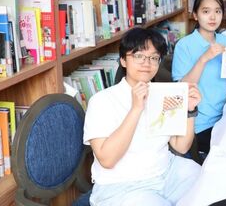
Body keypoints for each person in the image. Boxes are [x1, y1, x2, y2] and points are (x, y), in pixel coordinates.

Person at [84, 27, 202, 206]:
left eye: (154, 58)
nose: (147, 63)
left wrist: (190, 111)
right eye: (138, 56)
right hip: (122, 186)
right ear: (123, 60)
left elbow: (180, 146)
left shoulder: (164, 94)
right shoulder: (102, 101)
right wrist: (136, 109)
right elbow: (107, 160)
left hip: (166, 172)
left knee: (207, 184)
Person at [171, 0, 226, 155]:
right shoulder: (184, 45)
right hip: (200, 123)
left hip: (225, 115)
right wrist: (204, 58)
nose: (213, 17)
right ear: (195, 15)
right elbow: (182, 88)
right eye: (206, 11)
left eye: (218, 11)